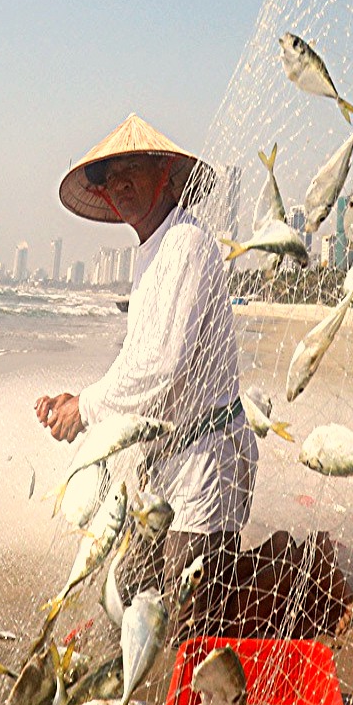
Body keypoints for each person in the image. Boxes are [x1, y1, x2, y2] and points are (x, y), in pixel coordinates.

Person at [35, 114, 258, 608]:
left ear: (164, 175)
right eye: (108, 178)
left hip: (205, 463)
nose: (118, 184)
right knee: (127, 592)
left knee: (190, 611)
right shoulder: (149, 253)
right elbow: (137, 358)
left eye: (130, 169)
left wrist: (87, 409)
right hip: (166, 464)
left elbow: (162, 364)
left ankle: (271, 573)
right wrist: (78, 400)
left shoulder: (185, 243)